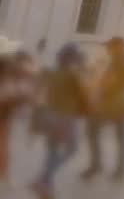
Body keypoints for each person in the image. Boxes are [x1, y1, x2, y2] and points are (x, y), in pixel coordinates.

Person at [30, 43, 89, 199]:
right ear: (71, 58)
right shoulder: (72, 75)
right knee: (72, 149)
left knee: (52, 150)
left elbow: (38, 89)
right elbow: (83, 94)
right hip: (65, 117)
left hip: (49, 114)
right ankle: (43, 178)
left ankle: (46, 185)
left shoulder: (52, 73)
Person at [81, 37, 124, 181]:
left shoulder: (119, 62)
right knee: (120, 137)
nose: (108, 49)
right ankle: (119, 169)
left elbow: (110, 82)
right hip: (120, 103)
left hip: (112, 103)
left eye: (110, 47)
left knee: (92, 130)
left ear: (119, 47)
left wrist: (99, 93)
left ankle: (97, 165)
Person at [0, 43, 35, 188]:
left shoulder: (11, 79)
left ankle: (5, 177)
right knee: (3, 147)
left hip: (4, 116)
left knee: (3, 147)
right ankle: (4, 178)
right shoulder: (11, 81)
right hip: (3, 117)